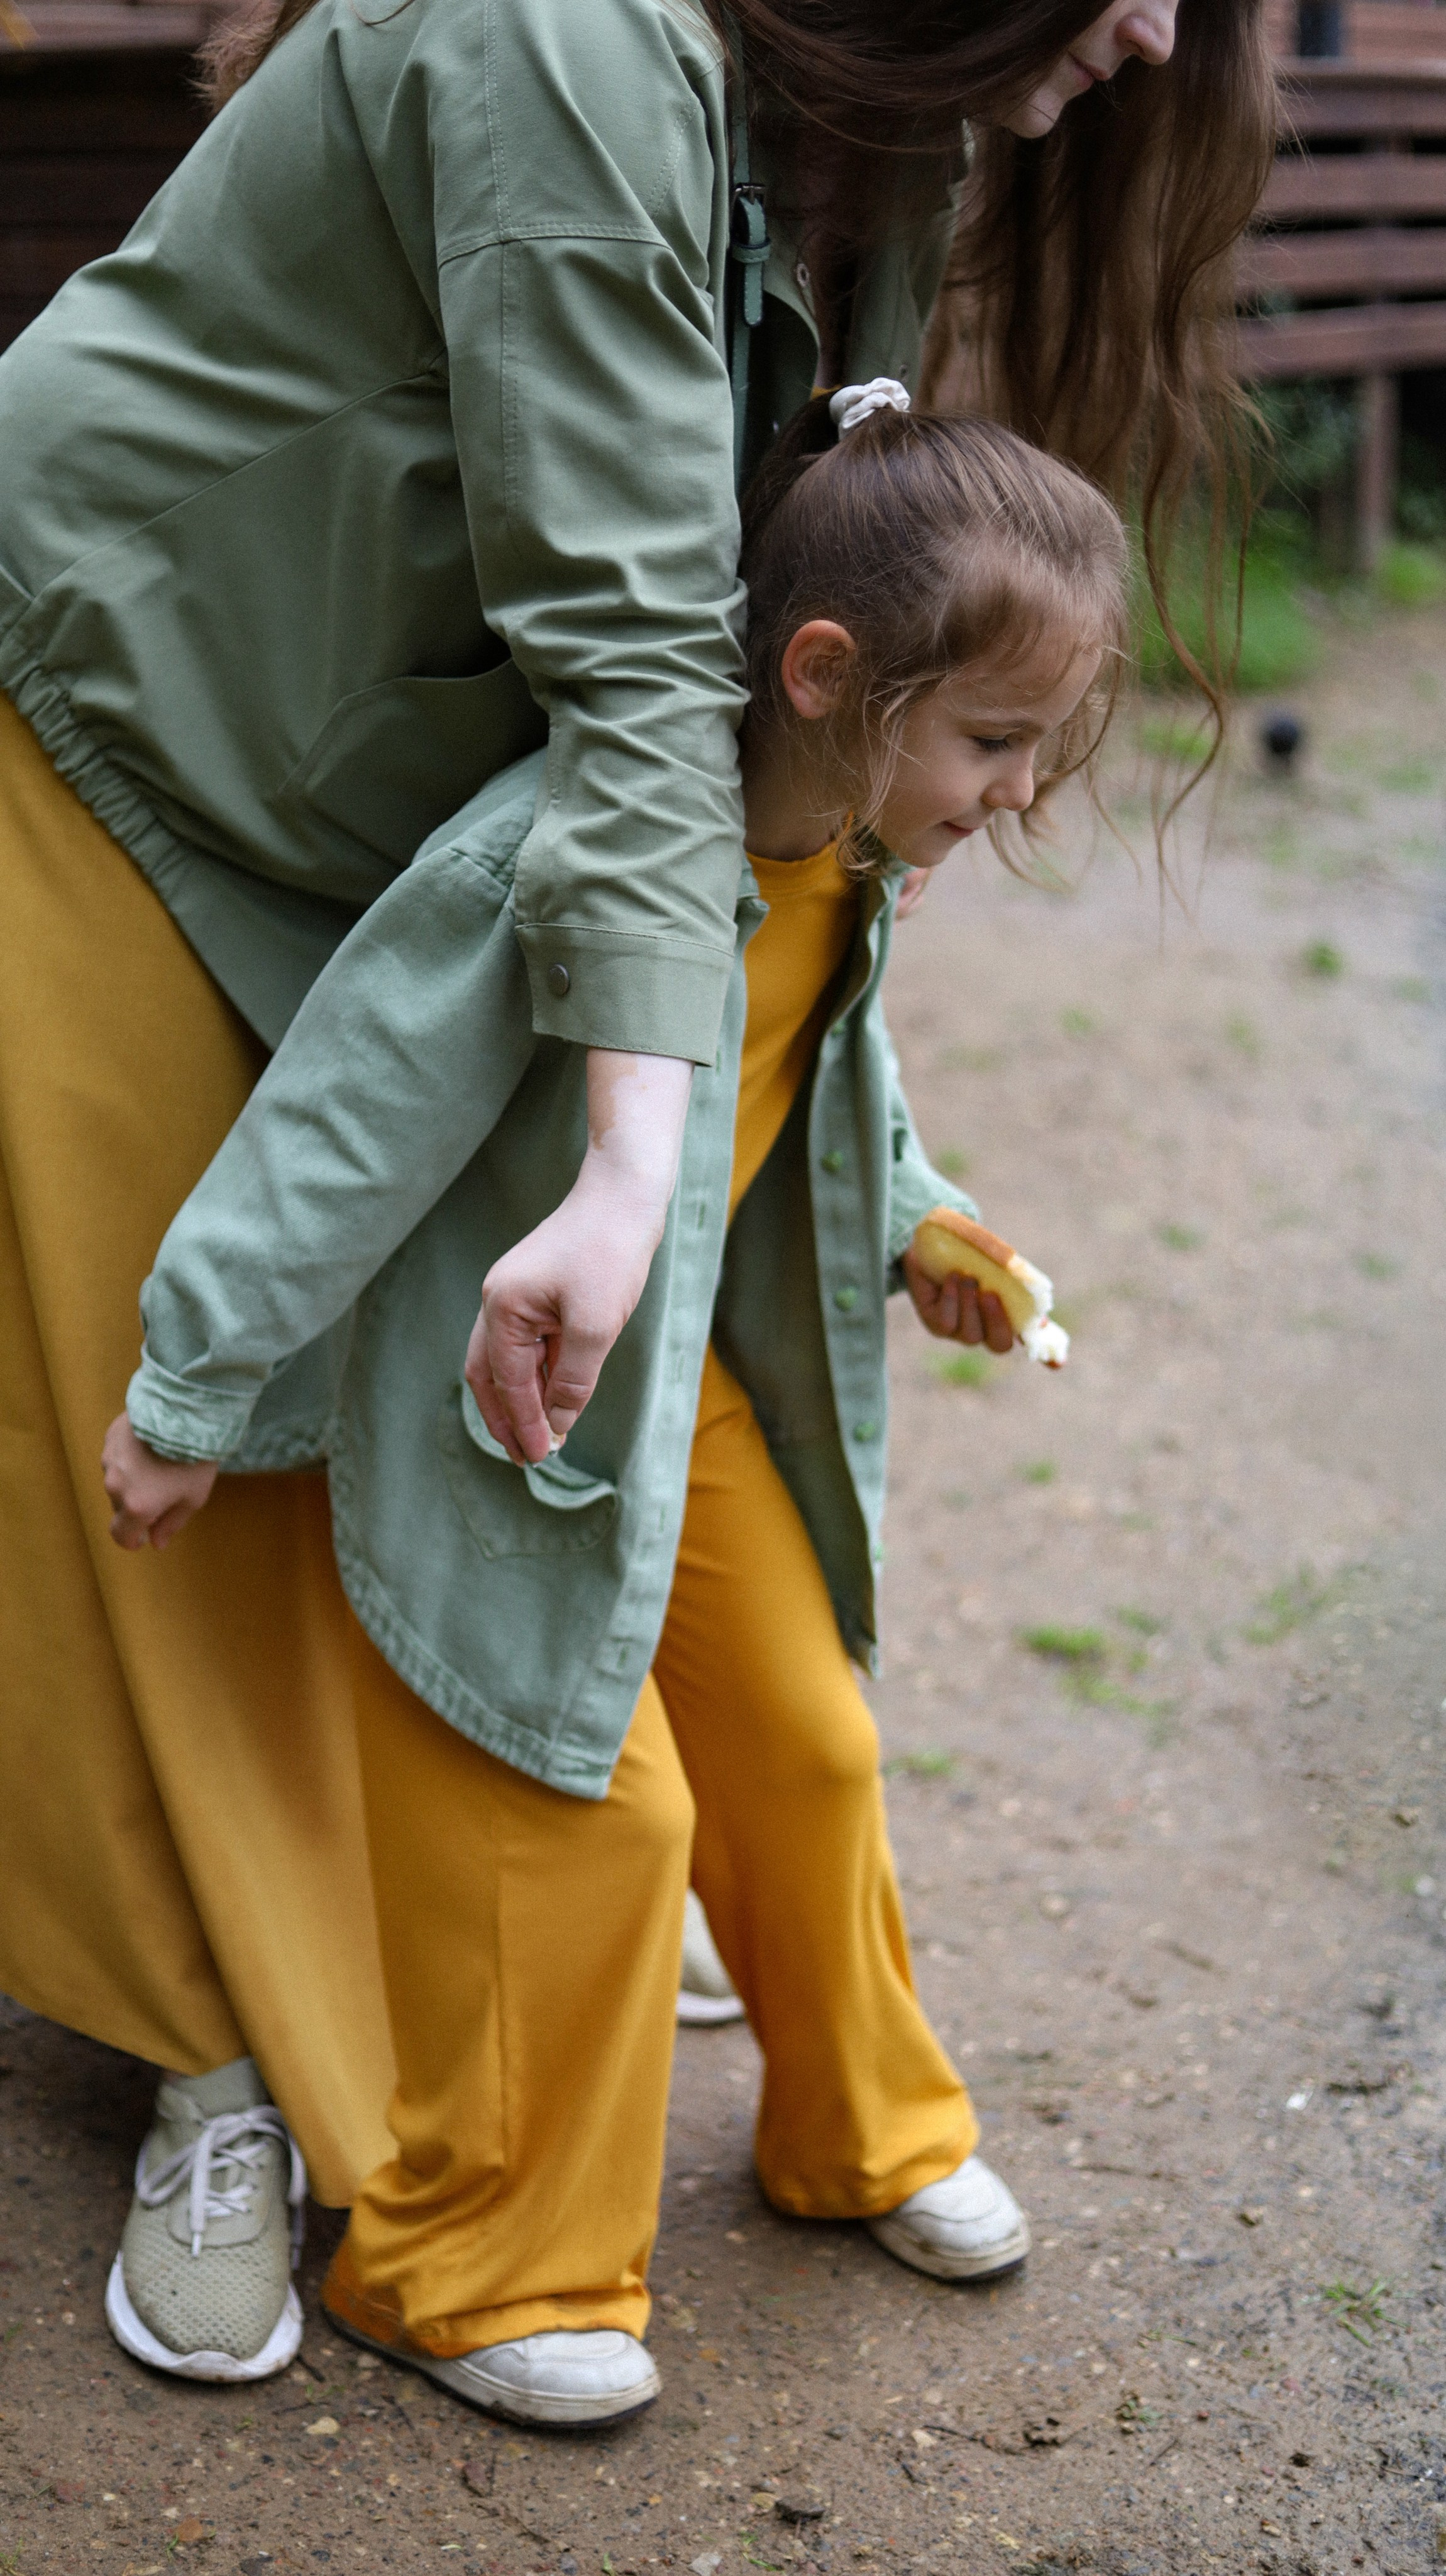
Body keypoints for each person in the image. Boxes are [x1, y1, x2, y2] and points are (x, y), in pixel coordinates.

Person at [0, 0, 1276, 2388]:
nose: (1146, 26)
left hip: (433, 802)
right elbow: (622, 679)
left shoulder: (880, 123)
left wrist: (882, 1200)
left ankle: (652, 2029)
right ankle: (236, 2061)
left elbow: (776, 763)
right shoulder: (554, 38)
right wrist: (591, 1183)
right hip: (145, 686)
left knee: (677, 1647)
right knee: (223, 1499)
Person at [99, 391, 1129, 2419]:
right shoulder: (547, 858)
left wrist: (920, 1209)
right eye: (993, 744)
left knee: (811, 1738)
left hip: (683, 1397)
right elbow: (342, 1116)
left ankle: (859, 2131)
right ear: (823, 676)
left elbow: (824, 1072)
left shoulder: (848, 850)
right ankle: (473, 2266)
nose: (1014, 797)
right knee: (591, 1800)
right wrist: (197, 1378)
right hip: (495, 1408)